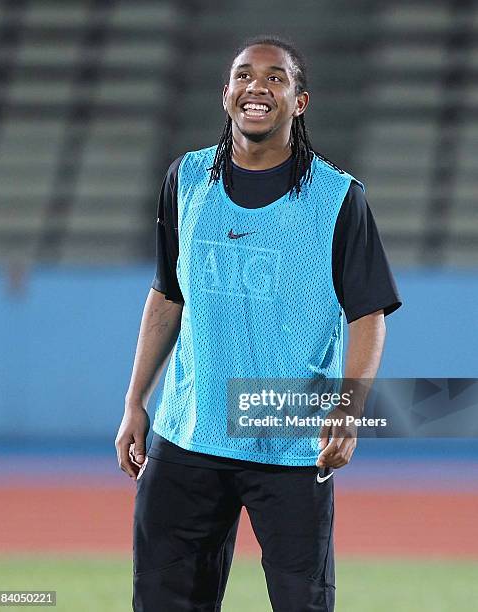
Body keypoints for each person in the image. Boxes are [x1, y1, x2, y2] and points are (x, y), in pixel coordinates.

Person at [115, 35, 401, 612]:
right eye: (244, 75)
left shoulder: (339, 199)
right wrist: (134, 401)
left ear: (300, 102)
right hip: (189, 433)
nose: (257, 87)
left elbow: (367, 314)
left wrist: (348, 412)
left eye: (276, 78)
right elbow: (168, 296)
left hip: (290, 439)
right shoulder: (186, 180)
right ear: (226, 94)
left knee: (303, 602)